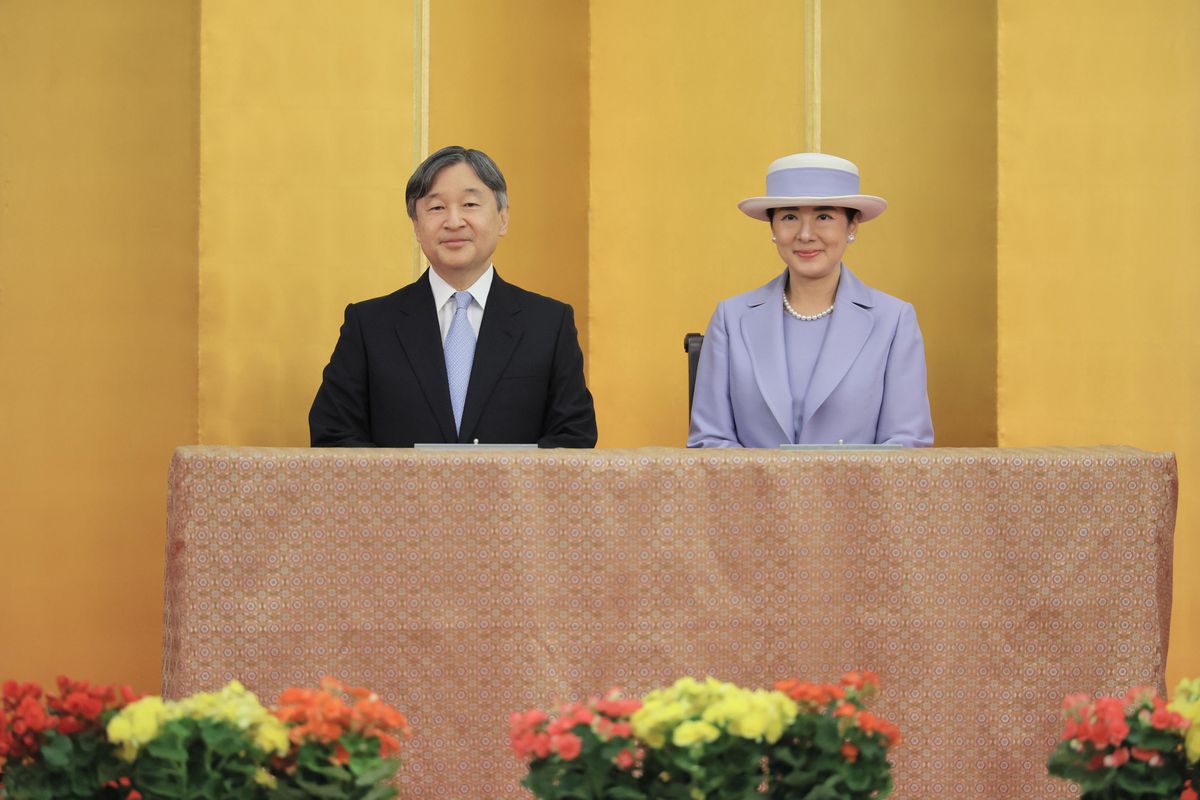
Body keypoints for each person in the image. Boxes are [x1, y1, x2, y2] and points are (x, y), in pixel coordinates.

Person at [309, 146, 597, 447]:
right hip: (401, 496)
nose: (454, 221)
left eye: (470, 204)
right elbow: (334, 436)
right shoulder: (368, 326)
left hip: (512, 496)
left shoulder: (549, 324)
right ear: (417, 227)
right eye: (436, 208)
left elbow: (574, 438)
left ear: (503, 218)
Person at [688, 152, 933, 448]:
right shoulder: (731, 318)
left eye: (824, 216)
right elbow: (710, 440)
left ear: (852, 226)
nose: (805, 235)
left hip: (858, 494)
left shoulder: (894, 321)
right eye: (790, 217)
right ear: (773, 228)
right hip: (753, 495)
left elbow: (906, 443)